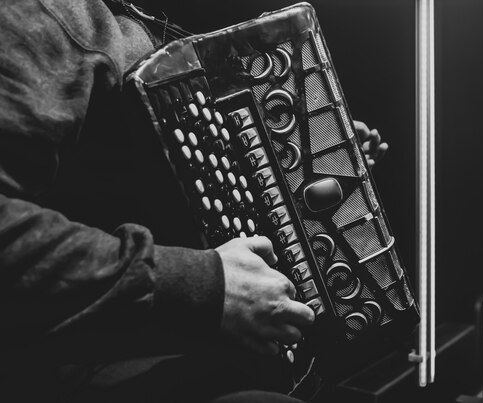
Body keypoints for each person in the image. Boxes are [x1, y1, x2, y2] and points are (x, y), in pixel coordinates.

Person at [0, 0, 388, 402]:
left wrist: (309, 157)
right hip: (84, 368)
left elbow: (189, 174)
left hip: (198, 352)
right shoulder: (44, 17)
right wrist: (206, 288)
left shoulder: (132, 18)